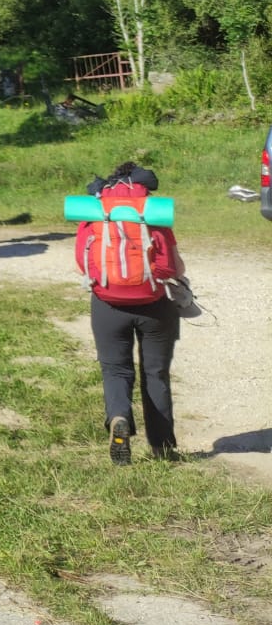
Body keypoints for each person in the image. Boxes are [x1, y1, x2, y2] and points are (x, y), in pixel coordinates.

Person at [74, 162, 185, 463]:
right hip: (155, 305)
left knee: (115, 370)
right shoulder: (152, 212)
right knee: (155, 373)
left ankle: (119, 418)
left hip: (107, 304)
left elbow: (83, 262)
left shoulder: (95, 212)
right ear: (143, 185)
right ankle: (162, 447)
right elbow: (172, 266)